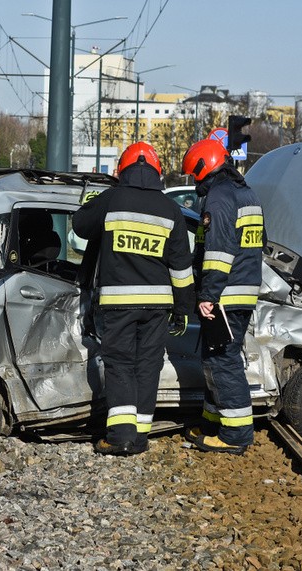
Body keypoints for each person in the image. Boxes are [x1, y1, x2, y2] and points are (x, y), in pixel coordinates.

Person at [73, 141, 194, 456]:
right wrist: (183, 308)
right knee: (148, 366)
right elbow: (181, 267)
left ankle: (122, 437)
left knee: (121, 365)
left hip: (120, 303)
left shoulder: (113, 199)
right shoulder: (171, 209)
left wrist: (91, 203)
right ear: (157, 173)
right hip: (158, 307)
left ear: (121, 171)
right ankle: (139, 436)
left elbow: (80, 227)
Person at [181, 138, 264, 455]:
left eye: (195, 175)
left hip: (225, 295)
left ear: (204, 167)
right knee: (215, 360)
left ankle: (236, 434)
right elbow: (258, 244)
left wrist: (208, 294)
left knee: (223, 362)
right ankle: (212, 423)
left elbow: (218, 254)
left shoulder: (218, 198)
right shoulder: (247, 195)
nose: (195, 182)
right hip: (242, 293)